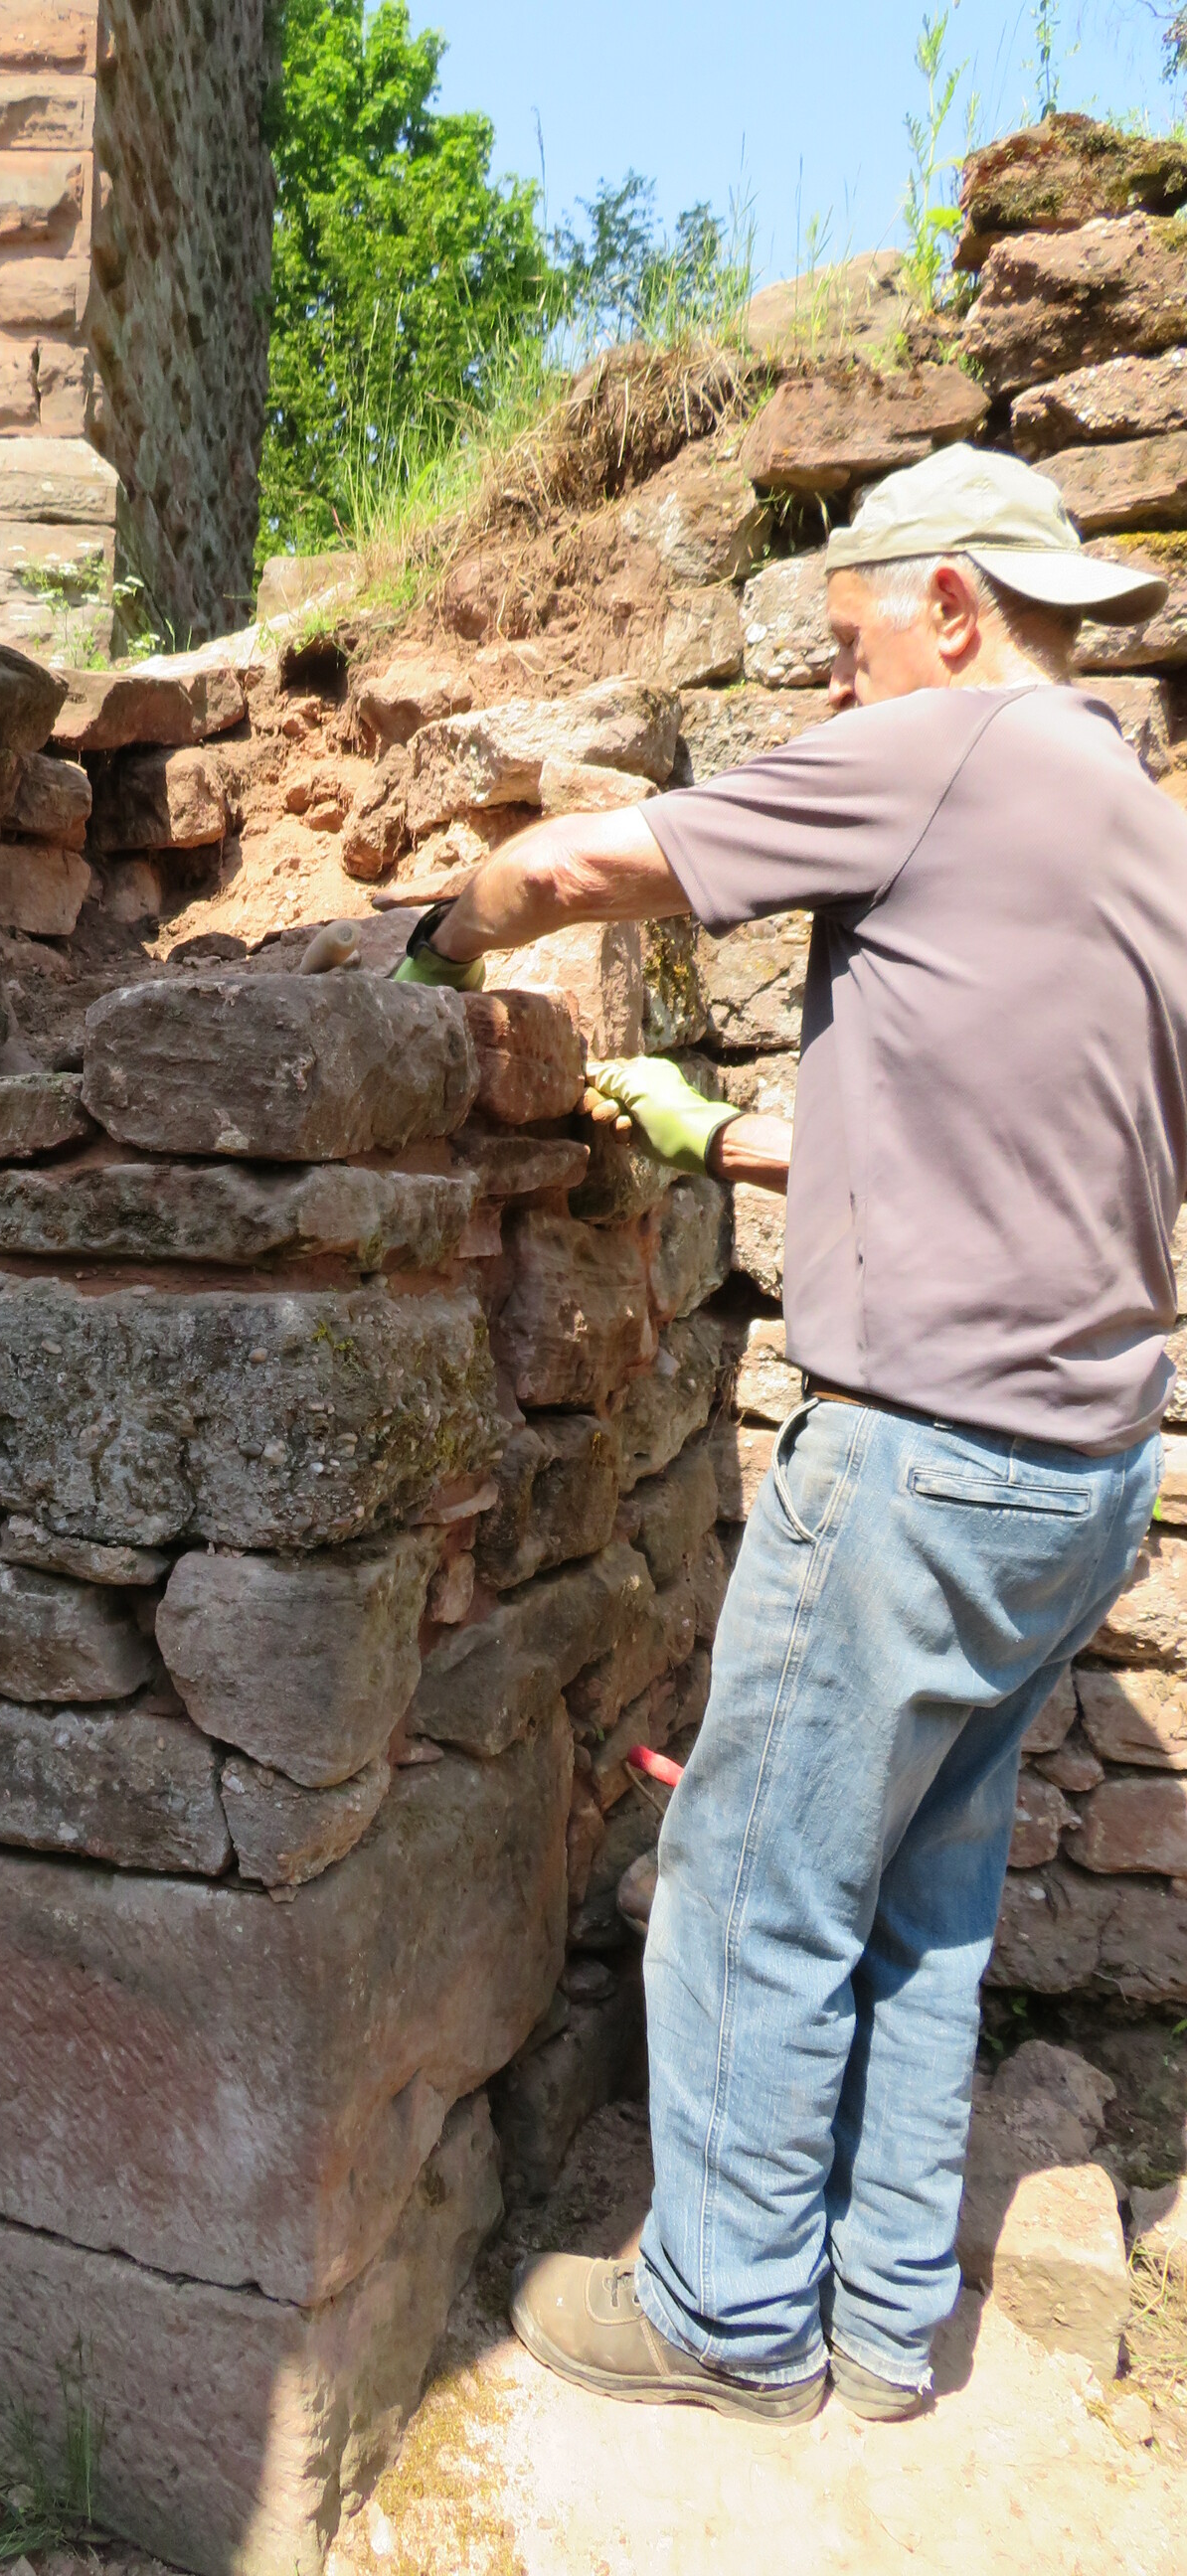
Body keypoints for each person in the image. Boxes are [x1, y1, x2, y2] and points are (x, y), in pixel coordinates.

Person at [398, 442, 1187, 2422]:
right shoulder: (1130, 812)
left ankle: (728, 2317)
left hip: (926, 1460)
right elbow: (1014, 1126)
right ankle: (886, 2317)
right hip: (1084, 1468)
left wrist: (426, 945)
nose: (834, 688)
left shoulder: (948, 746)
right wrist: (738, 1131)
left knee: (754, 1881)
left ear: (951, 607)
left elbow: (574, 871)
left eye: (844, 647)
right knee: (925, 1900)